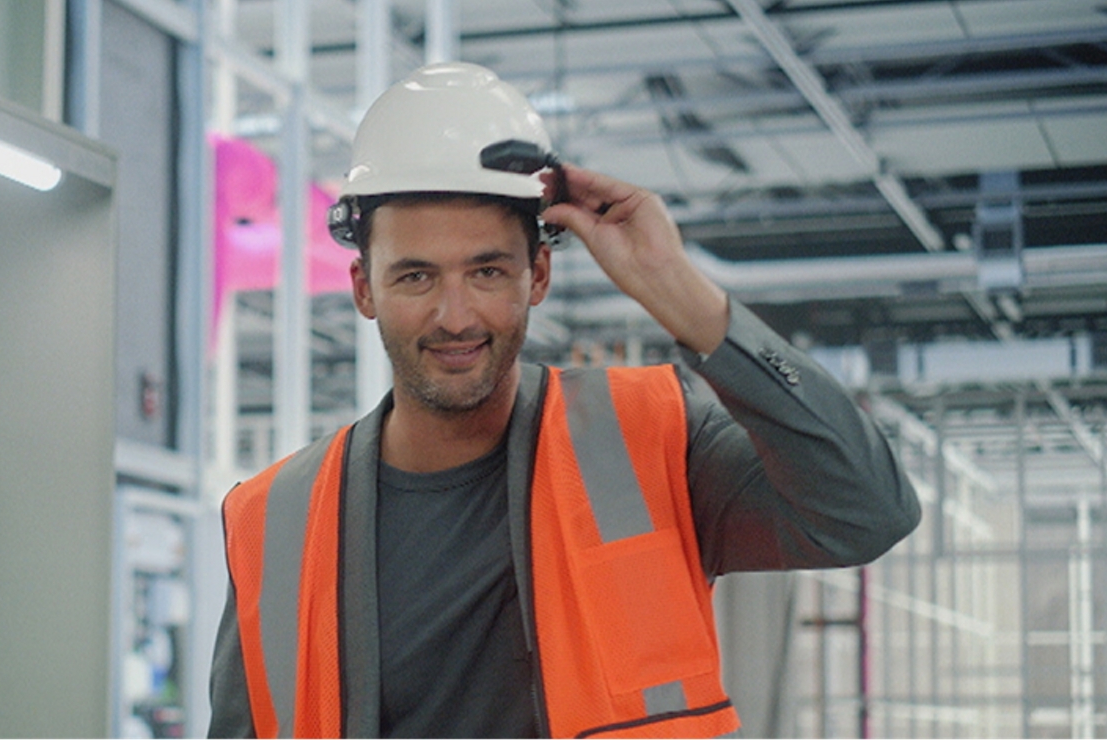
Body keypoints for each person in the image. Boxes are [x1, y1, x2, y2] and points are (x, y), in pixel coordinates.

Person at [208, 61, 919, 739]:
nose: (455, 315)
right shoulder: (274, 520)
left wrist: (681, 293)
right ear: (364, 288)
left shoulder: (650, 444)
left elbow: (866, 512)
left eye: (487, 271)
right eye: (416, 277)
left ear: (537, 274)